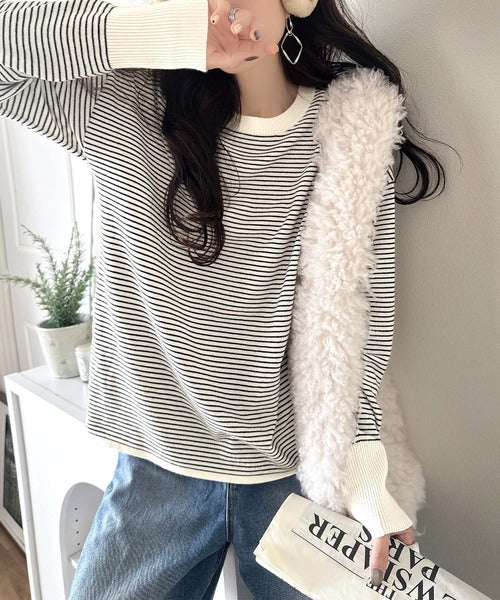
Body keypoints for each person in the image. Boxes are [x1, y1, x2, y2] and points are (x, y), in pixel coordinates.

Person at [0, 0, 446, 597]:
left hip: (296, 482)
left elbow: (355, 322)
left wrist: (365, 476)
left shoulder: (352, 129)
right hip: (156, 472)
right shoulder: (119, 103)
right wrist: (165, 33)